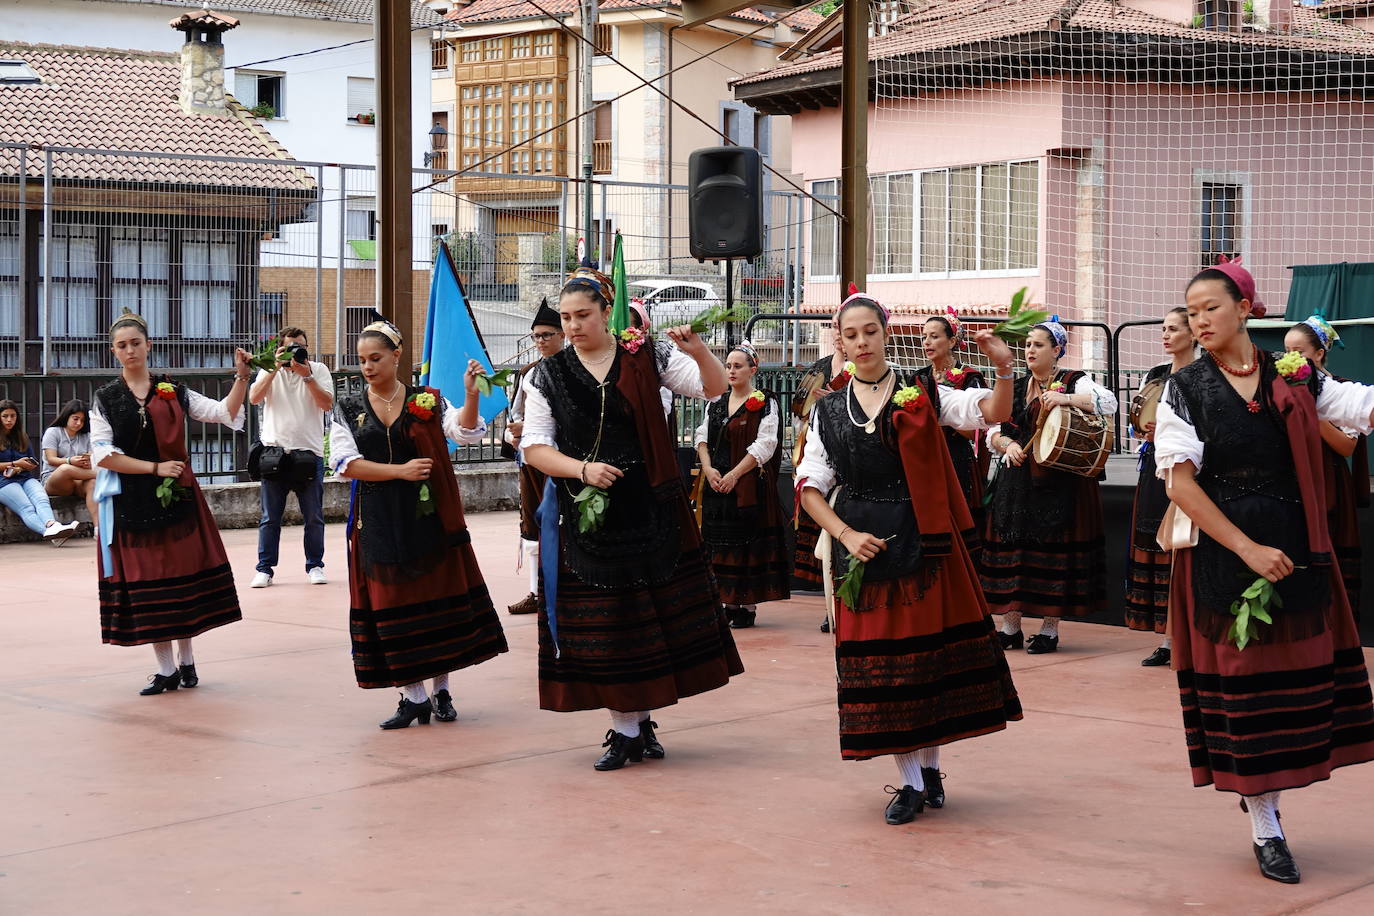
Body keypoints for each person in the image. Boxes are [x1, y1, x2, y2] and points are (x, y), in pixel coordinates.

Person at [1156, 260, 1374, 884]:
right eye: (1191, 310)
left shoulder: (1293, 372)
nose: (1198, 320)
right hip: (1228, 553)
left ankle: (1271, 808)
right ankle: (1265, 825)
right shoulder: (1187, 388)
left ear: (1247, 309)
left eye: (1210, 309)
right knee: (1246, 685)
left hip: (1297, 545)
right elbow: (1181, 484)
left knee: (1292, 682)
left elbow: (1358, 407)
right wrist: (1247, 549)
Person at [797, 291, 1023, 825]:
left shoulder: (922, 388)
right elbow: (809, 486)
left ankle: (926, 772)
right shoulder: (829, 408)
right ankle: (911, 780)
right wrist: (846, 534)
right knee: (887, 672)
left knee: (924, 662)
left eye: (869, 332)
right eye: (850, 335)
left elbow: (992, 412)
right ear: (840, 341)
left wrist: (1005, 367)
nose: (861, 342)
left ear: (885, 332)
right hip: (864, 551)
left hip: (924, 543)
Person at [520, 262, 742, 771]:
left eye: (583, 315)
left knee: (648, 616)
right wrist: (582, 469)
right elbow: (534, 447)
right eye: (567, 317)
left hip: (651, 503)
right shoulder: (546, 376)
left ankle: (633, 727)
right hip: (588, 515)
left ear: (606, 312)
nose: (573, 326)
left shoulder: (645, 354)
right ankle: (630, 728)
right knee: (611, 622)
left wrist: (701, 353)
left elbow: (710, 389)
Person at [329, 317, 509, 729]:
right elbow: (345, 463)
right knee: (392, 603)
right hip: (378, 520)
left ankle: (441, 689)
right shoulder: (349, 408)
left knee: (434, 601)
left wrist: (470, 396)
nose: (368, 367)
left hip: (429, 518)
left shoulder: (427, 401)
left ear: (397, 356)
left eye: (376, 358)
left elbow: (465, 434)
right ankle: (413, 696)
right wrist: (400, 472)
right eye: (362, 360)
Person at [90, 310, 249, 694]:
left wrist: (242, 376)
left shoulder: (172, 390)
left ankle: (187, 661)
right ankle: (166, 669)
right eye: (122, 345)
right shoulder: (106, 399)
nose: (130, 350)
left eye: (136, 343)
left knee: (180, 580)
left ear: (149, 346)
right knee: (151, 585)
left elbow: (224, 412)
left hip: (177, 496)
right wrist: (153, 468)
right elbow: (102, 455)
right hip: (132, 500)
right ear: (114, 352)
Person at [981, 317, 1117, 653]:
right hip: (1019, 481)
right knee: (1016, 552)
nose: (1030, 350)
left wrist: (1066, 400)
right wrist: (1007, 445)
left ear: (1056, 350)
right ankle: (1010, 627)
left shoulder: (1074, 380)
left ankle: (1049, 630)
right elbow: (995, 431)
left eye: (1038, 344)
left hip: (1059, 482)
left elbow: (1109, 403)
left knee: (1052, 553)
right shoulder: (1016, 387)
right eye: (1027, 345)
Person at [694, 341, 789, 628]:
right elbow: (702, 436)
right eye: (728, 366)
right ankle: (727, 601)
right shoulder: (717, 401)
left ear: (752, 369)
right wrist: (708, 469)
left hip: (746, 484)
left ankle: (746, 605)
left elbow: (766, 444)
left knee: (746, 544)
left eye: (738, 366)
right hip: (717, 482)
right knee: (719, 543)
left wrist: (735, 474)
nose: (731, 371)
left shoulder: (764, 402)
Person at [1126, 307, 1195, 666]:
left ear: (1193, 333)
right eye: (1163, 329)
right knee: (1163, 547)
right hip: (1156, 466)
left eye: (1173, 329)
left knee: (1187, 549)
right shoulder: (1154, 375)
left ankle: (1187, 637)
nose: (1165, 335)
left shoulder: (1205, 374)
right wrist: (1143, 430)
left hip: (1193, 469)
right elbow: (1134, 424)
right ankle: (1168, 640)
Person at [1284, 314, 1366, 621]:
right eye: (1286, 351)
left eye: (1300, 351)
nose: (1292, 359)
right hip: (1292, 481)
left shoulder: (1339, 390)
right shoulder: (1280, 391)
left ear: (1319, 353)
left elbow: (1347, 446)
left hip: (1328, 482)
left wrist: (1312, 415)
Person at [248, 326, 334, 588]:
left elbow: (327, 404)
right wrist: (274, 367)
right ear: (281, 349)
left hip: (309, 453)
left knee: (314, 517)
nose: (296, 351)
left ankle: (315, 565)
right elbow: (254, 398)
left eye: (301, 346)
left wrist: (306, 376)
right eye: (290, 347)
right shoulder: (270, 369)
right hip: (275, 453)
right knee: (270, 518)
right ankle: (264, 569)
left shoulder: (318, 370)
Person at [505, 299, 565, 615]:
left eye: (546, 335)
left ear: (562, 335)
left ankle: (567, 590)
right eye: (536, 336)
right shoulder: (529, 372)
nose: (540, 341)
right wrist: (514, 434)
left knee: (564, 524)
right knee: (531, 523)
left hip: (565, 461)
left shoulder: (574, 369)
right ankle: (536, 591)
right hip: (532, 461)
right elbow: (514, 414)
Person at [790, 330, 850, 632]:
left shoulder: (868, 369)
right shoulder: (820, 367)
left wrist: (839, 403)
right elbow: (798, 409)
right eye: (837, 328)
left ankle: (843, 605)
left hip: (850, 459)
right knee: (821, 541)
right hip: (819, 453)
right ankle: (830, 607)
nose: (841, 336)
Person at [914, 308, 990, 529]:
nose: (926, 342)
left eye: (934, 336)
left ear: (952, 341)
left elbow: (976, 432)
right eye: (924, 336)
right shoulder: (918, 377)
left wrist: (944, 414)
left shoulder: (969, 378)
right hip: (924, 459)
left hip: (956, 459)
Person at [1, 400, 81, 543]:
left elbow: (33, 459)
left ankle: (53, 525)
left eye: (13, 416)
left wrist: (24, 466)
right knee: (26, 507)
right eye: (5, 416)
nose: (9, 420)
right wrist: (14, 463)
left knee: (42, 500)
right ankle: (49, 532)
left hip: (24, 477)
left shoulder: (21, 435)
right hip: (3, 482)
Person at [41, 398, 98, 532]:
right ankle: (104, 473)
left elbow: (92, 456)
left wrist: (88, 460)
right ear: (67, 416)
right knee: (65, 469)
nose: (79, 423)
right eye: (75, 419)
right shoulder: (53, 432)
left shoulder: (87, 435)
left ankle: (98, 528)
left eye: (82, 421)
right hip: (54, 479)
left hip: (79, 479)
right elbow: (51, 459)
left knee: (92, 484)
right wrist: (70, 461)